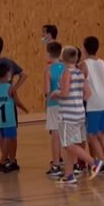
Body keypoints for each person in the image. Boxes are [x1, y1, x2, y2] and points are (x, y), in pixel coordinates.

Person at [49, 46, 102, 185]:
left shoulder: (67, 73)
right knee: (71, 145)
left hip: (68, 115)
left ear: (63, 58)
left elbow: (64, 93)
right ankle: (69, 175)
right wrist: (77, 98)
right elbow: (88, 94)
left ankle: (94, 163)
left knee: (68, 145)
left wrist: (55, 93)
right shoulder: (80, 73)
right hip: (79, 113)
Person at [83, 36, 104, 174]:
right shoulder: (102, 63)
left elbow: (80, 82)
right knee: (101, 134)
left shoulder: (84, 64)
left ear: (85, 49)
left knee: (91, 135)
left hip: (94, 103)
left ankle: (102, 163)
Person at [0, 62, 28, 173]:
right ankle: (2, 161)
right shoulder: (10, 88)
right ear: (8, 74)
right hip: (9, 118)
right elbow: (17, 102)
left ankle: (12, 161)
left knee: (10, 139)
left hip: (0, 119)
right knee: (9, 139)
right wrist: (24, 108)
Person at [44, 40, 65, 177]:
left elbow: (47, 91)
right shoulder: (66, 67)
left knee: (55, 135)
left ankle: (56, 164)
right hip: (66, 103)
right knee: (68, 134)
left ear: (48, 54)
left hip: (53, 104)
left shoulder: (48, 70)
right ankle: (74, 164)